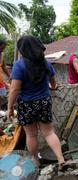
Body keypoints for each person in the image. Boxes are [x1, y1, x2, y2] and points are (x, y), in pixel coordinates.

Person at [7, 36, 65, 169]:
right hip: (44, 101)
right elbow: (53, 81)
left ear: (22, 49)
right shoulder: (45, 63)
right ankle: (60, 158)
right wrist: (54, 87)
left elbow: (15, 88)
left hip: (26, 104)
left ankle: (36, 162)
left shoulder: (19, 65)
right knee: (49, 133)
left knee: (31, 134)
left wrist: (10, 107)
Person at [0, 40, 10, 108]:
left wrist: (10, 76)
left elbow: (4, 67)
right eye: (1, 48)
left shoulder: (1, 55)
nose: (2, 50)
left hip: (0, 79)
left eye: (4, 48)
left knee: (1, 95)